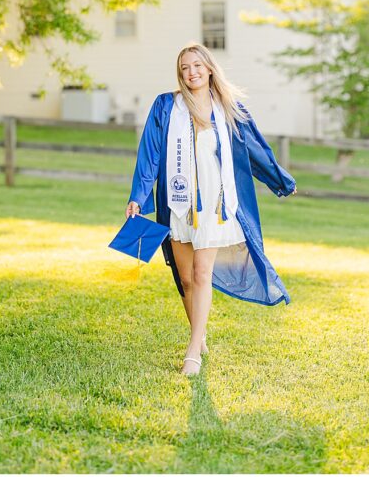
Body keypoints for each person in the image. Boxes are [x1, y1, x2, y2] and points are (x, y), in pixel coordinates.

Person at [126, 43, 296, 376]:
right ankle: (198, 334)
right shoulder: (167, 106)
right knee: (186, 278)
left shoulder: (228, 108)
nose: (191, 73)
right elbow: (150, 153)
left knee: (202, 274)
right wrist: (139, 195)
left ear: (210, 69)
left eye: (197, 66)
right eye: (185, 67)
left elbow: (256, 151)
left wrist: (281, 180)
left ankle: (193, 351)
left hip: (215, 207)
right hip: (178, 205)